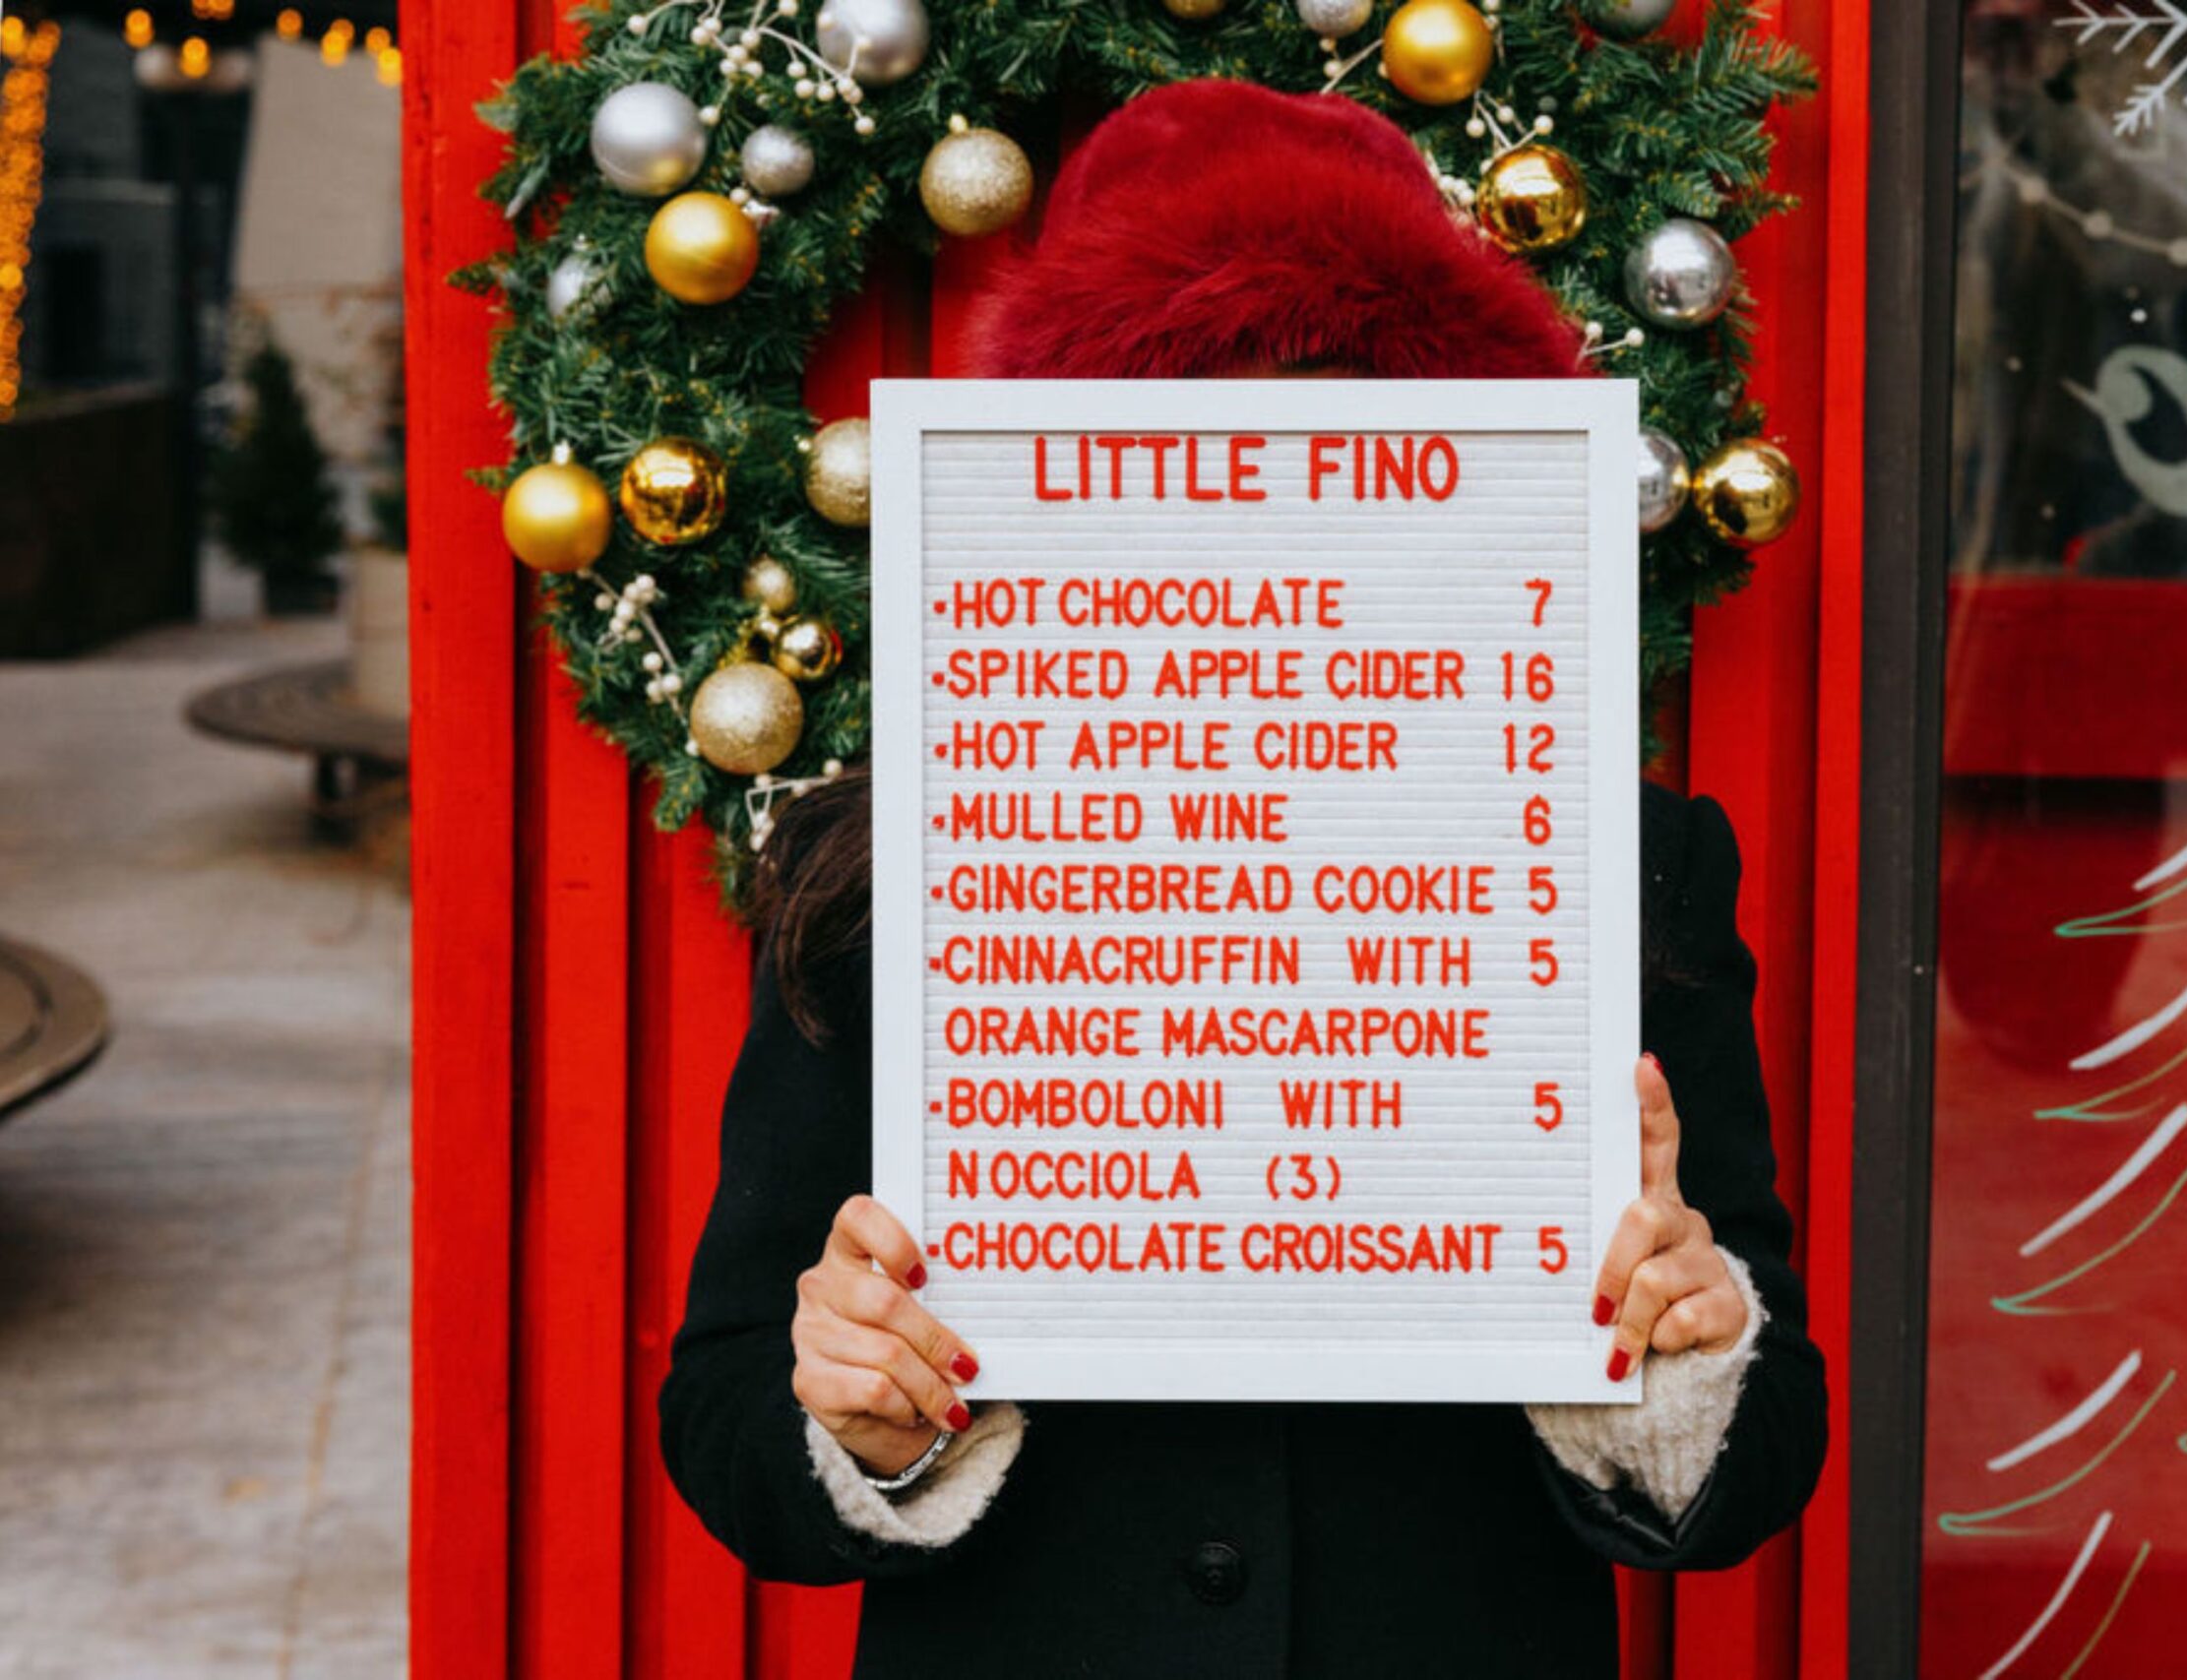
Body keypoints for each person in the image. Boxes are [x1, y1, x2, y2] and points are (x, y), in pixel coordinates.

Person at [660, 79, 1828, 1679]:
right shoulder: (889, 873)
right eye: (1203, 434)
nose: (1279, 521)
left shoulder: (1625, 868)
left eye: (1350, 435)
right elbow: (723, 1418)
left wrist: (1679, 1351)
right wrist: (862, 1406)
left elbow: (1764, 1468)